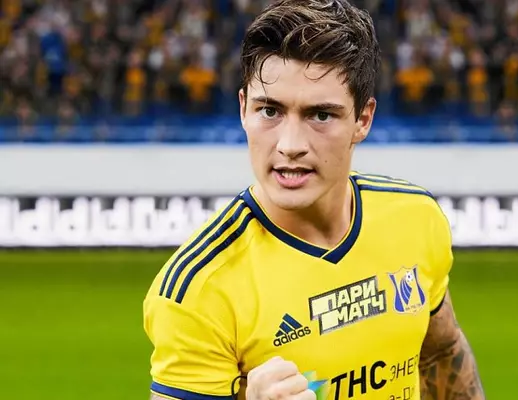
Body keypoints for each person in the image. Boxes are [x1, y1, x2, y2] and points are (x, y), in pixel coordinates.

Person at [143, 1, 486, 399]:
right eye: (269, 111)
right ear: (243, 109)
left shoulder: (415, 217)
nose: (290, 145)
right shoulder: (197, 290)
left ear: (363, 119)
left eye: (320, 115)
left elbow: (442, 352)